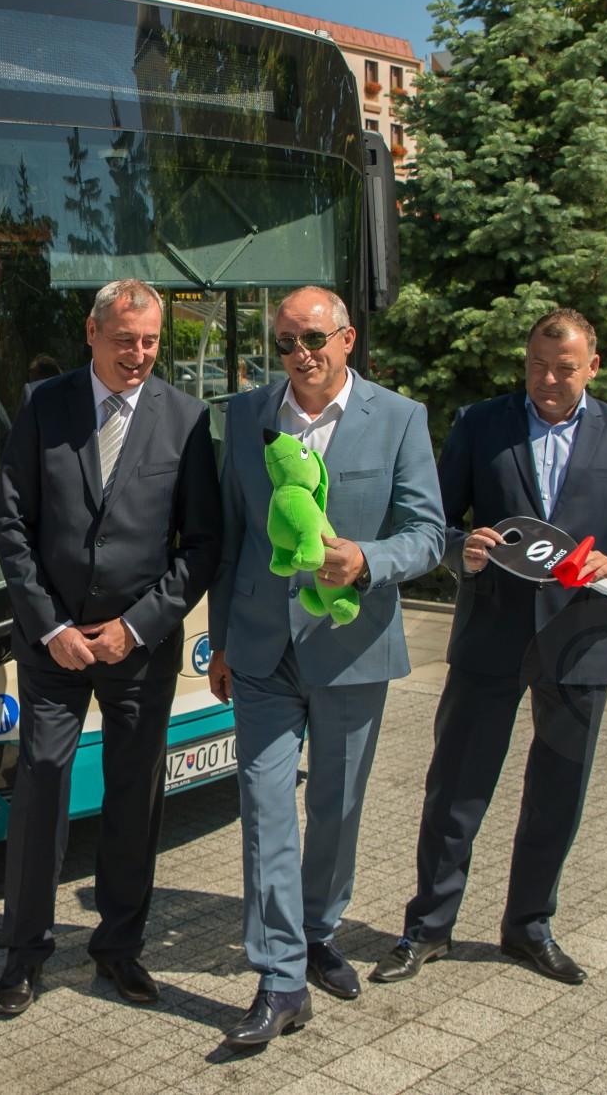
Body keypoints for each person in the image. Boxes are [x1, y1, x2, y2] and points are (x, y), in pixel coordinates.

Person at [374, 308, 607, 989]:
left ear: (592, 367)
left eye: (564, 369)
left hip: (580, 642)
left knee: (556, 793)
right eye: (537, 365)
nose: (548, 380)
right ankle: (428, 928)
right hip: (490, 634)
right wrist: (463, 548)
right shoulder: (482, 424)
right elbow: (433, 521)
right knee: (456, 789)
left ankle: (529, 928)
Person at [206, 285, 443, 1048]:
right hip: (262, 649)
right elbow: (232, 536)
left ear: (346, 339)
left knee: (336, 809)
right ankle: (280, 978)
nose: (300, 354)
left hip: (352, 648)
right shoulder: (246, 415)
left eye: (312, 338)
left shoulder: (399, 418)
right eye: (286, 342)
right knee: (264, 806)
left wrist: (367, 559)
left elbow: (428, 534)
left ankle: (316, 930)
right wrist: (219, 640)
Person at [0, 278, 222, 1017]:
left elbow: (202, 543)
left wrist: (139, 625)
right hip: (53, 643)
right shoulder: (43, 405)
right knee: (42, 784)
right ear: (91, 334)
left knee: (134, 795)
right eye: (125, 340)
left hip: (139, 647)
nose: (139, 354)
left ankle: (119, 948)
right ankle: (24, 952)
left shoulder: (185, 418)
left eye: (151, 341)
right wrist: (50, 626)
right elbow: (12, 524)